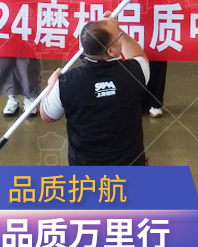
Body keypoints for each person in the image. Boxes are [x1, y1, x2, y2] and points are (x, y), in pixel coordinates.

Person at [39, 19, 150, 166]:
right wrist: (120, 30)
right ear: (111, 51)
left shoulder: (66, 83)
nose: (120, 36)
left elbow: (47, 115)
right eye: (119, 36)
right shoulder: (135, 73)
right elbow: (138, 54)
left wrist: (51, 85)